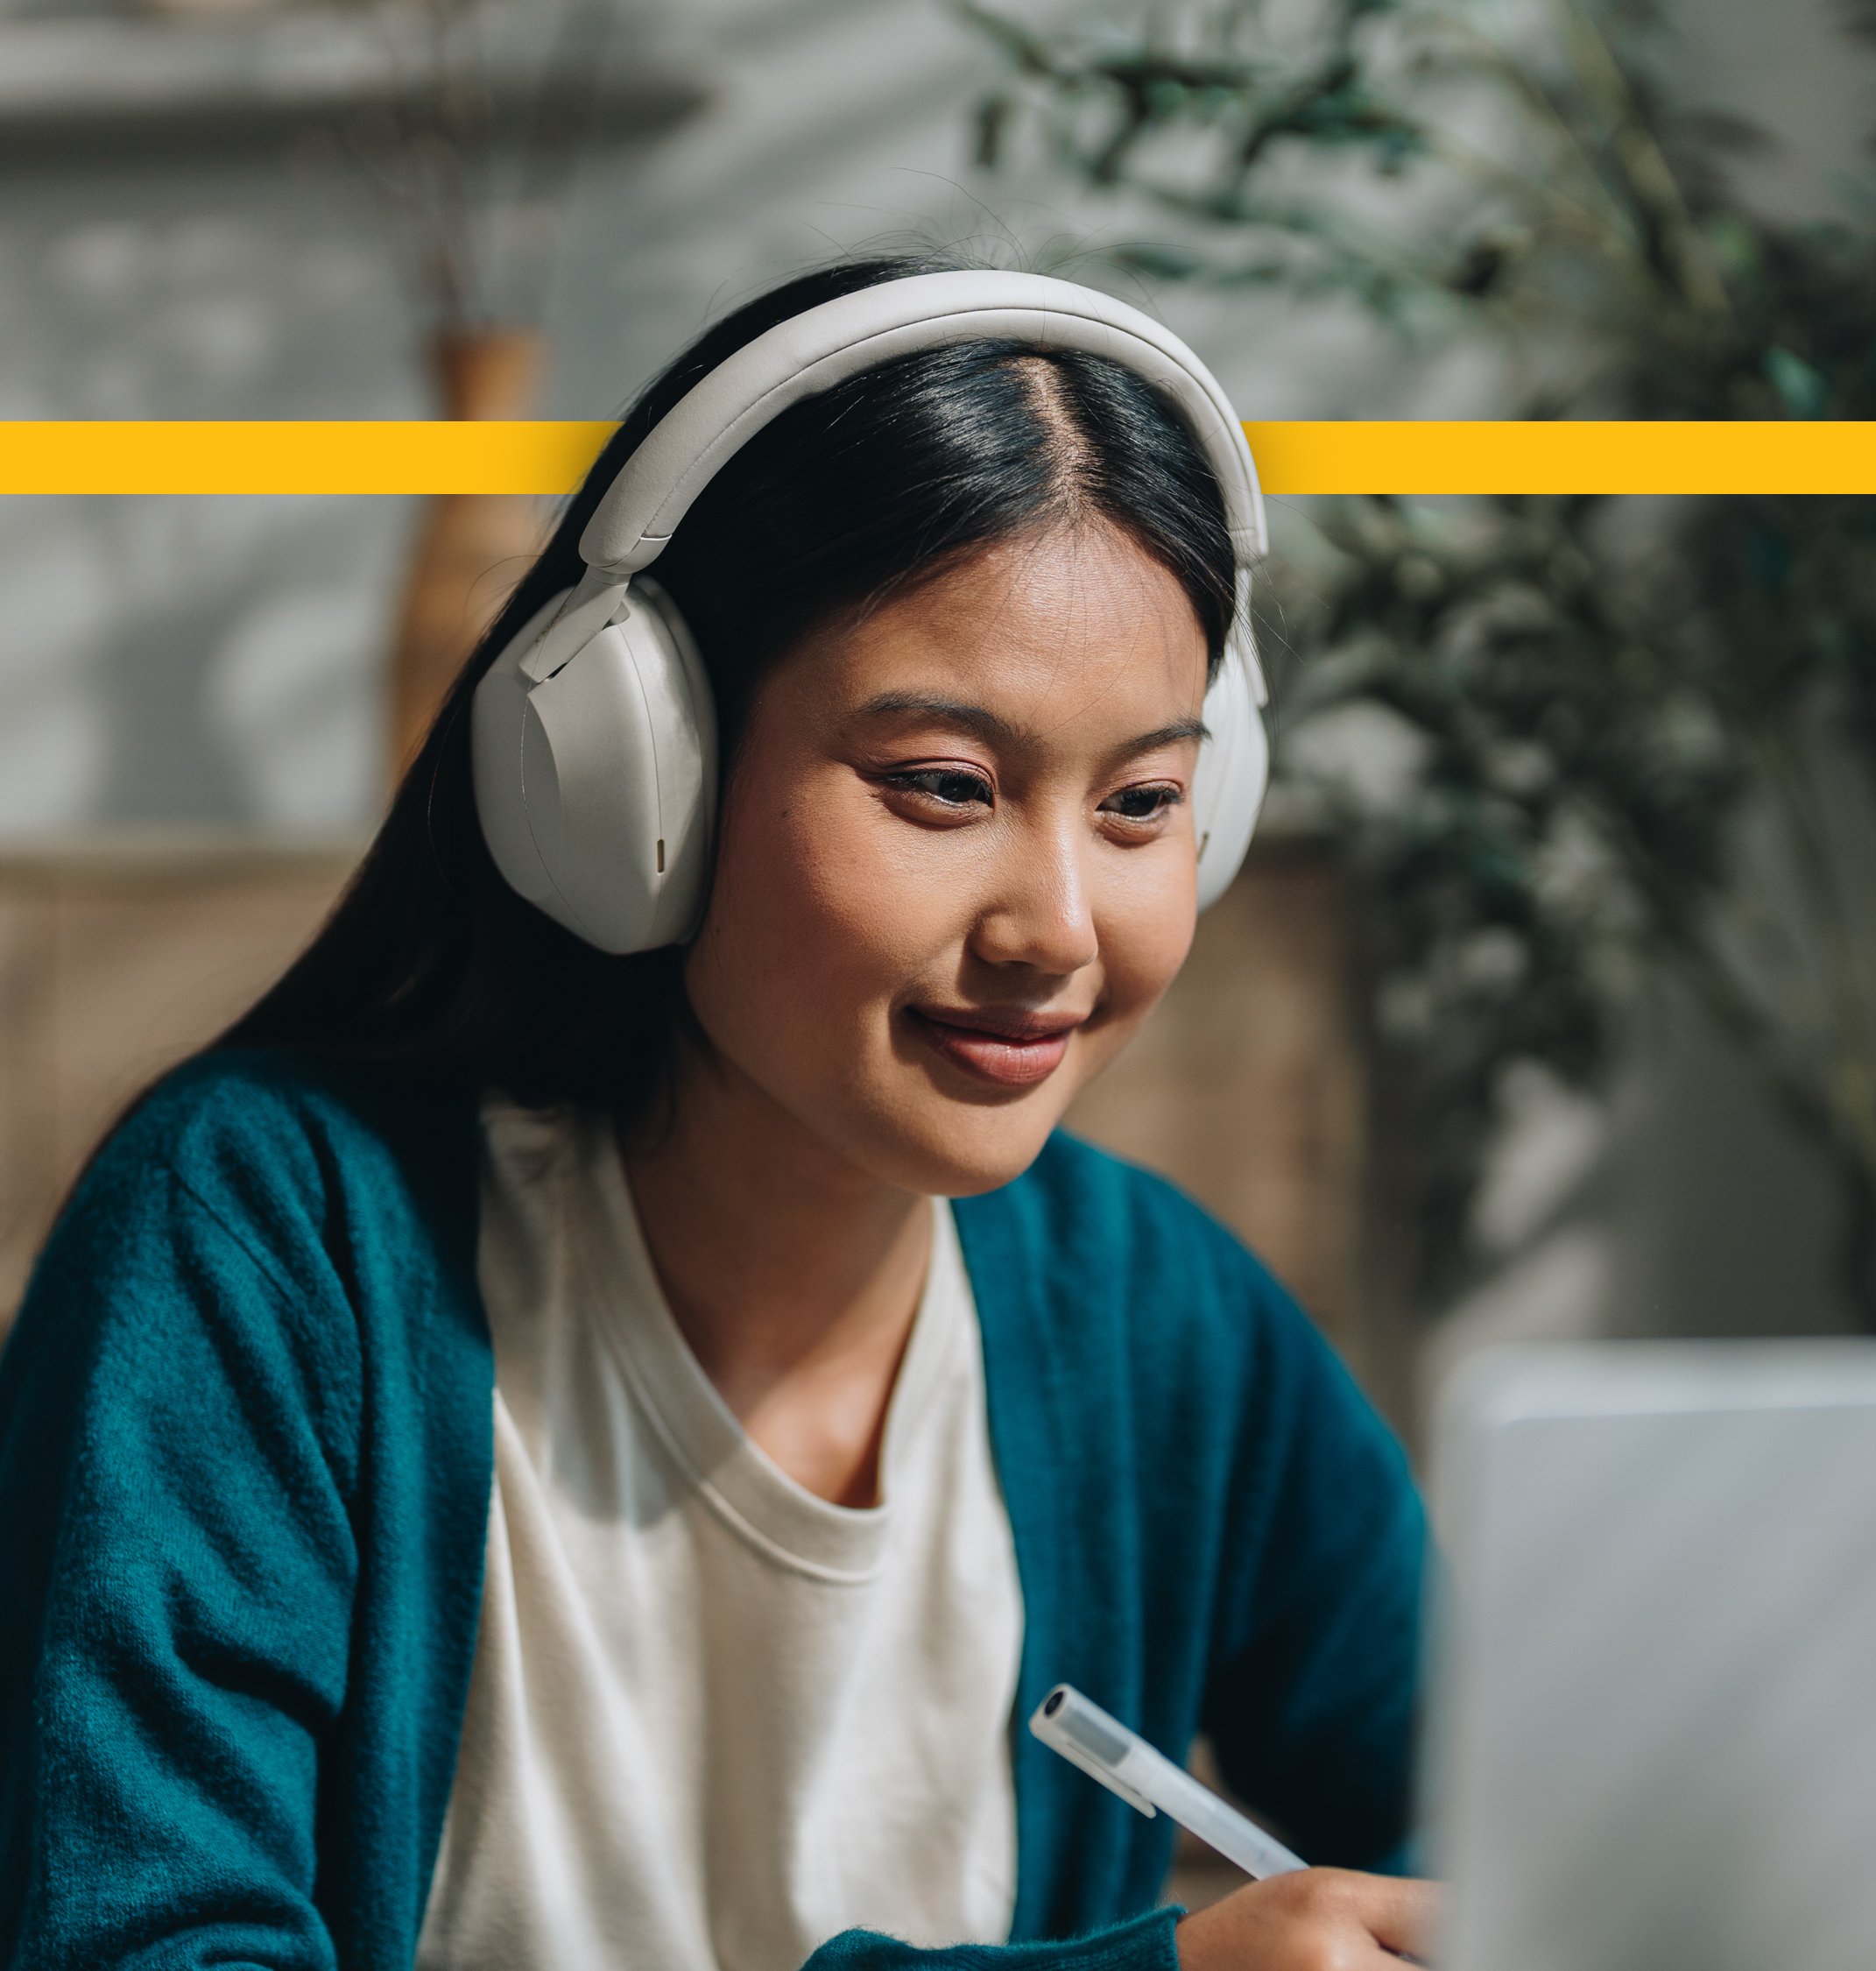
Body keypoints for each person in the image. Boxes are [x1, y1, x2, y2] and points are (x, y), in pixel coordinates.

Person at [0, 258, 1434, 1971]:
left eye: (1141, 803)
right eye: (945, 787)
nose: (1057, 923)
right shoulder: (265, 1248)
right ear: (638, 771)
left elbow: (1513, 1830)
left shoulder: (1162, 1328)